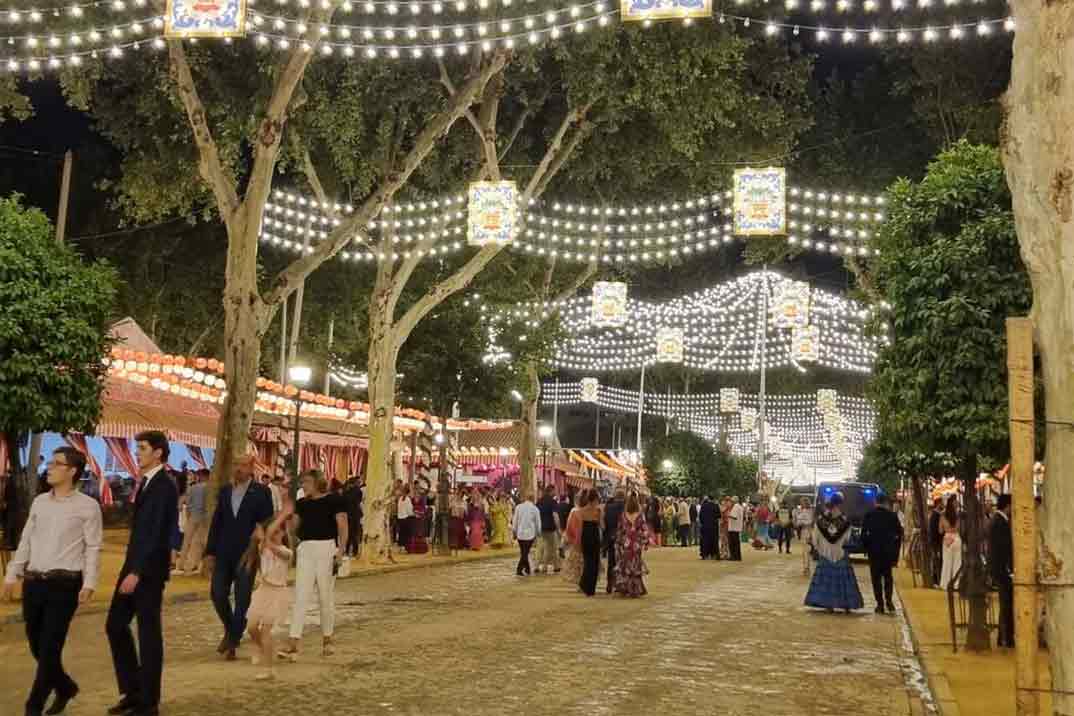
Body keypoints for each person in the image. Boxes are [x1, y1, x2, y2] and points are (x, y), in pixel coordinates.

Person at [3, 447, 103, 716]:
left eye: (56, 463)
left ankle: (32, 707)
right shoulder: (40, 503)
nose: (49, 467)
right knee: (36, 644)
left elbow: (93, 547)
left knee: (50, 647)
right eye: (51, 462)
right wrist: (12, 574)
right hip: (34, 583)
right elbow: (26, 540)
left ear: (71, 471)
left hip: (65, 585)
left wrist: (89, 583)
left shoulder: (88, 506)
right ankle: (65, 686)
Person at [106, 431, 179, 716]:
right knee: (115, 625)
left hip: (147, 570)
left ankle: (148, 702)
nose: (137, 453)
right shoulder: (148, 483)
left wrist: (137, 571)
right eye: (138, 448)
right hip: (134, 565)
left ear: (158, 453)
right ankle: (133, 691)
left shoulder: (164, 485)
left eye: (143, 448)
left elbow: (155, 532)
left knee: (149, 635)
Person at [203, 455, 274, 660]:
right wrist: (209, 552)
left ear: (252, 468)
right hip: (224, 552)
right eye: (235, 464)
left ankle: (232, 639)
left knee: (243, 598)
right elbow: (217, 522)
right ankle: (233, 629)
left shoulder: (261, 492)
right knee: (217, 593)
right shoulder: (226, 491)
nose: (238, 469)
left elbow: (268, 520)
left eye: (242, 465)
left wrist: (262, 536)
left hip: (248, 552)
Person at [280, 470, 348, 660]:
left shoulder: (335, 500)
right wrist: (288, 513)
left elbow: (343, 526)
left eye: (307, 481)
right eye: (302, 482)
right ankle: (293, 641)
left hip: (326, 548)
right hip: (306, 549)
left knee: (325, 596)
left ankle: (328, 639)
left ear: (318, 482)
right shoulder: (302, 504)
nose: (304, 485)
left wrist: (340, 552)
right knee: (301, 595)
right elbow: (293, 528)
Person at [241, 505, 293, 680]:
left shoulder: (286, 552)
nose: (276, 534)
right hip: (263, 591)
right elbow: (267, 539)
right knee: (251, 627)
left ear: (284, 534)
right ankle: (266, 650)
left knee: (265, 632)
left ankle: (269, 669)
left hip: (277, 594)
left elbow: (274, 547)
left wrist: (282, 517)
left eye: (279, 532)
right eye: (274, 532)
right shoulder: (262, 548)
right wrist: (281, 516)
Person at [804, 493, 864, 613]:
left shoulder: (820, 520)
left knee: (826, 580)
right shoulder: (845, 520)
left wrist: (819, 549)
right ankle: (846, 605)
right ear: (840, 503)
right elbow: (848, 539)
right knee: (844, 581)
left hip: (825, 554)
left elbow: (815, 539)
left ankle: (828, 605)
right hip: (840, 553)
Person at [861, 494, 903, 615]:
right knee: (888, 577)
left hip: (874, 552)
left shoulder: (869, 515)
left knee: (876, 579)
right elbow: (899, 535)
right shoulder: (892, 516)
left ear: (875, 502)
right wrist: (896, 554)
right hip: (888, 552)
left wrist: (866, 548)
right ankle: (889, 602)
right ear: (885, 502)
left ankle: (880, 604)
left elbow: (864, 535)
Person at [614, 492, 651, 598]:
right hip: (636, 544)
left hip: (626, 543)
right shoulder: (640, 516)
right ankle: (635, 588)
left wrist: (619, 542)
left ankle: (625, 587)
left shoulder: (623, 515)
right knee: (635, 565)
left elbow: (619, 530)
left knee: (625, 565)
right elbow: (645, 530)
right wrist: (645, 541)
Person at [175, 469, 210, 575]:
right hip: (204, 518)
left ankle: (181, 565)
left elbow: (188, 503)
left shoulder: (193, 488)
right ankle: (192, 564)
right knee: (198, 542)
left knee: (186, 541)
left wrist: (188, 516)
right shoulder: (210, 489)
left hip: (192, 517)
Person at [990, 494, 1014, 648]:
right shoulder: (1000, 522)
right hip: (1003, 570)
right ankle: (1006, 638)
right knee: (1006, 604)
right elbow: (1003, 549)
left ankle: (1003, 637)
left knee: (1006, 604)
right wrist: (1009, 569)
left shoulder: (999, 520)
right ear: (1007, 505)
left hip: (1000, 569)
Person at [578, 491, 603, 597]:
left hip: (585, 535)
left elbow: (580, 527)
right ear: (596, 499)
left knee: (587, 561)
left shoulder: (581, 511)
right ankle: (590, 588)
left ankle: (585, 584)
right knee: (595, 562)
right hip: (594, 535)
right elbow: (602, 525)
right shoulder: (598, 511)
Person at [511, 492, 541, 577]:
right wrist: (538, 533)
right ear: (533, 499)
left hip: (520, 534)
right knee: (525, 553)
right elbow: (538, 523)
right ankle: (519, 570)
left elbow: (515, 520)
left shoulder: (518, 507)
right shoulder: (535, 509)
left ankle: (527, 569)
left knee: (524, 552)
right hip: (530, 534)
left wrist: (514, 531)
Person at [603, 489, 626, 593]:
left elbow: (605, 523)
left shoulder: (608, 507)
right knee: (623, 561)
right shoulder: (625, 508)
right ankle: (620, 583)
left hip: (610, 536)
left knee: (611, 561)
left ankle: (609, 582)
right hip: (623, 537)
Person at [536, 485, 562, 574]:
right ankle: (556, 566)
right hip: (550, 528)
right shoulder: (553, 502)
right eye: (554, 491)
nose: (555, 493)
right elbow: (555, 515)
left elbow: (536, 515)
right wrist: (558, 528)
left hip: (540, 528)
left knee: (540, 548)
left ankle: (537, 566)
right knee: (553, 548)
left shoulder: (539, 501)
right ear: (551, 491)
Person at [561, 491, 585, 586]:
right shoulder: (589, 511)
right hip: (587, 541)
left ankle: (580, 582)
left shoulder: (574, 512)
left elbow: (569, 527)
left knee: (577, 564)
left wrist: (568, 540)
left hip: (576, 542)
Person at [939, 498, 962, 590]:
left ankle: (945, 584)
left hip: (947, 538)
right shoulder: (958, 515)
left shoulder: (943, 515)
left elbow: (940, 530)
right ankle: (956, 584)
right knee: (957, 563)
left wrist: (946, 529)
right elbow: (958, 528)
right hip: (956, 538)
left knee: (947, 562)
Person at [343, 476, 363, 557]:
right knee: (355, 534)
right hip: (355, 515)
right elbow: (359, 501)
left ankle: (347, 550)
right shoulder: (358, 491)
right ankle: (355, 551)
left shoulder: (346, 491)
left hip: (348, 515)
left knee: (349, 533)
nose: (359, 483)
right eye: (358, 482)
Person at [408, 487, 429, 554]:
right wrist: (414, 513)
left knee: (419, 532)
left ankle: (421, 549)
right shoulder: (412, 499)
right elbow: (410, 507)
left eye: (418, 493)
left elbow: (424, 509)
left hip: (420, 518)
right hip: (414, 517)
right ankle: (413, 549)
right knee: (414, 533)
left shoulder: (422, 500)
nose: (416, 494)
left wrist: (419, 513)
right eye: (415, 493)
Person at [928, 498, 944, 587]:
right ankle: (935, 579)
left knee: (937, 561)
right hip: (936, 542)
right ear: (938, 504)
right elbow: (935, 531)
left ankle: (937, 579)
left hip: (936, 542)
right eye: (942, 503)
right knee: (936, 561)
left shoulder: (936, 514)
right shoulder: (935, 515)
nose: (943, 504)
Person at [698, 496, 718, 560]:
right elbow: (719, 515)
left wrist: (702, 523)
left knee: (705, 540)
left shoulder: (703, 506)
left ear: (708, 499)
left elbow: (700, 516)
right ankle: (713, 554)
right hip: (713, 526)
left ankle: (705, 554)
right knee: (713, 540)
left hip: (705, 526)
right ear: (713, 499)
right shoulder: (716, 506)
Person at [396, 485, 414, 552]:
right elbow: (409, 510)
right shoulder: (407, 499)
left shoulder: (400, 498)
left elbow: (399, 508)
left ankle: (400, 547)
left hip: (400, 517)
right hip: (405, 518)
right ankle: (403, 547)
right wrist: (412, 514)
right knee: (405, 533)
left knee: (401, 533)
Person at [727, 497, 744, 561]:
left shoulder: (736, 507)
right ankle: (737, 557)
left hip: (733, 528)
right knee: (736, 543)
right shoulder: (740, 507)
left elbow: (734, 517)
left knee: (733, 543)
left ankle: (733, 556)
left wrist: (728, 515)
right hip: (736, 527)